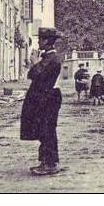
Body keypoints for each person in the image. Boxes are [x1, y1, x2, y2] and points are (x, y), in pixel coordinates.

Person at [20, 28, 63, 175]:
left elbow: (33, 74)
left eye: (40, 40)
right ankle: (47, 161)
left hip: (48, 98)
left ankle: (50, 163)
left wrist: (34, 63)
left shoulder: (52, 59)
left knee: (47, 129)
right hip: (46, 97)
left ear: (46, 41)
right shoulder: (48, 58)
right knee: (44, 128)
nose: (38, 42)